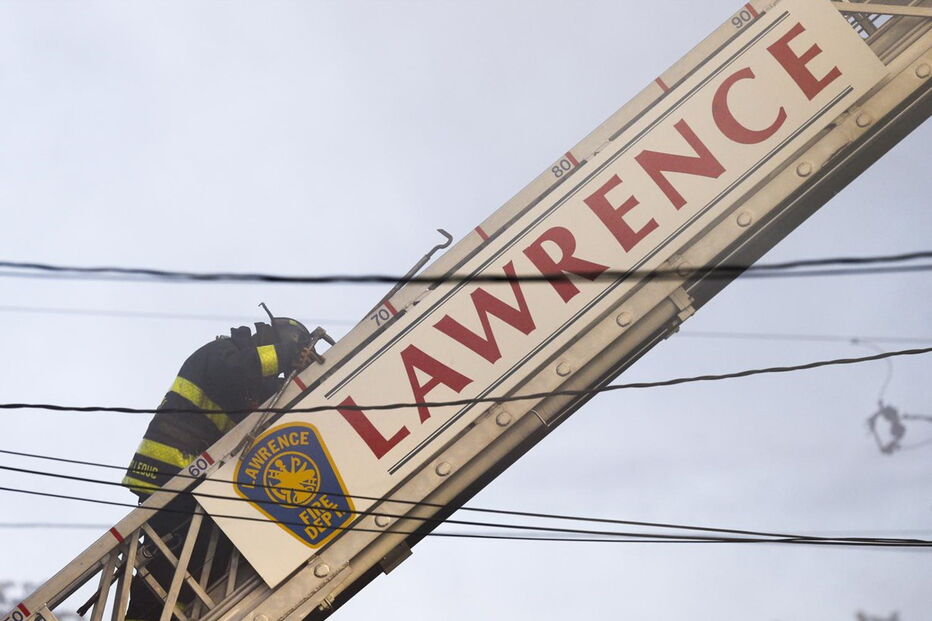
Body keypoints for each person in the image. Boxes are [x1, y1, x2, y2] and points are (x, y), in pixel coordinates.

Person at [122, 313, 314, 621]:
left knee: (195, 559)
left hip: (187, 479)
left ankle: (167, 612)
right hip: (170, 470)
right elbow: (238, 372)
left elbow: (260, 402)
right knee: (170, 561)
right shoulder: (221, 353)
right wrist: (288, 358)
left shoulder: (245, 381)